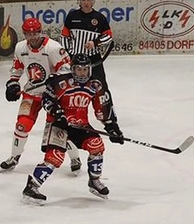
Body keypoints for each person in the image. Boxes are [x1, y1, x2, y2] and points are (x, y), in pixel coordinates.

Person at [21, 54, 124, 204]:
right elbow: (47, 99)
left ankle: (94, 181)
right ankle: (32, 187)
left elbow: (102, 107)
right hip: (59, 124)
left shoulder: (95, 85)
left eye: (85, 70)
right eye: (78, 70)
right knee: (54, 158)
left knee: (97, 146)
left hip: (81, 125)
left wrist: (112, 127)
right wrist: (58, 113)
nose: (82, 73)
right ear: (72, 69)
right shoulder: (61, 82)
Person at [0, 17, 80, 173]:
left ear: (40, 32)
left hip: (53, 95)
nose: (33, 37)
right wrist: (12, 83)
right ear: (24, 34)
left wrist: (53, 81)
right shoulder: (20, 47)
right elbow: (16, 69)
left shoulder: (53, 48)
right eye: (29, 34)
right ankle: (14, 157)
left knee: (59, 128)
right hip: (31, 93)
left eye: (35, 33)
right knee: (22, 125)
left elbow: (66, 70)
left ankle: (75, 157)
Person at [61, 0, 117, 123]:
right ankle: (69, 115)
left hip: (93, 60)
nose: (86, 2)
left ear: (93, 1)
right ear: (79, 1)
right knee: (70, 87)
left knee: (101, 86)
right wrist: (68, 54)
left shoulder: (99, 18)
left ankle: (109, 116)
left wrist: (96, 42)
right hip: (75, 60)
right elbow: (64, 36)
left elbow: (109, 37)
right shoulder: (72, 16)